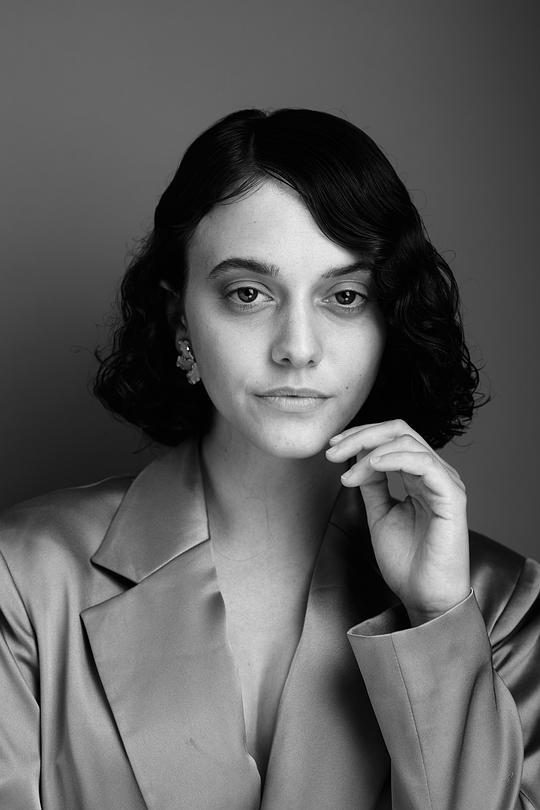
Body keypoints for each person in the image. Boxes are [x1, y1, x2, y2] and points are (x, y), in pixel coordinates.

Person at [1, 108, 538, 810]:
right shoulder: (25, 578)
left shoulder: (499, 602)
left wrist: (438, 622)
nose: (298, 347)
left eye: (345, 296)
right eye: (249, 294)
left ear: (390, 319)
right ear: (180, 319)